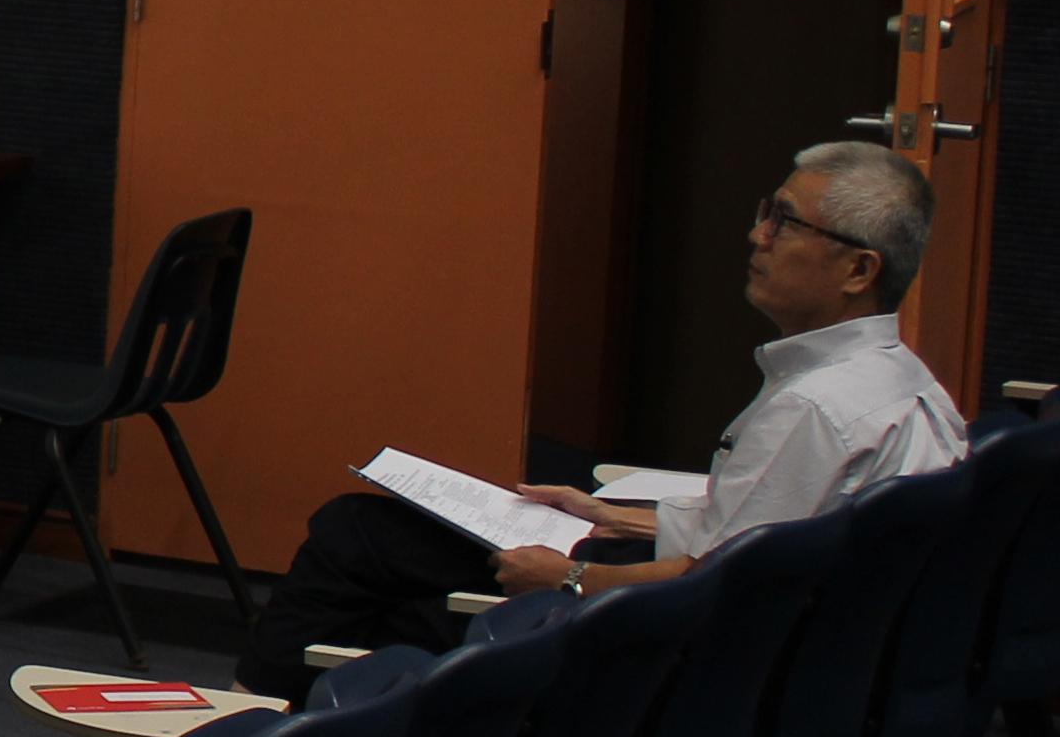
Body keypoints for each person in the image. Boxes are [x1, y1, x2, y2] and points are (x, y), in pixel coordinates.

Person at [235, 135, 964, 694]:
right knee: (366, 536)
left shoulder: (815, 408)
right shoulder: (904, 382)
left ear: (858, 270)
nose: (758, 236)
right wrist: (612, 517)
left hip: (692, 651)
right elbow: (770, 531)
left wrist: (571, 579)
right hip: (788, 635)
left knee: (370, 566)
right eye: (766, 212)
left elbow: (723, 584)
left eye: (785, 223)